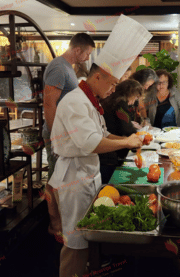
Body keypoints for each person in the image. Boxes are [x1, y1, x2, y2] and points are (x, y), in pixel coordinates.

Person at [48, 63, 143, 277]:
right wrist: (126, 143)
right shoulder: (74, 101)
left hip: (87, 175)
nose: (114, 89)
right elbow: (91, 143)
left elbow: (103, 134)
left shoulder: (90, 101)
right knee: (75, 243)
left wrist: (129, 139)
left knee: (87, 238)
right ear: (98, 77)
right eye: (112, 84)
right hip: (74, 178)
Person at [43, 33, 95, 237]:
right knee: (55, 180)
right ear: (77, 50)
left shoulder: (68, 68)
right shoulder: (58, 67)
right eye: (87, 53)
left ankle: (62, 222)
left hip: (64, 134)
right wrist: (57, 137)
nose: (88, 58)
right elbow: (49, 103)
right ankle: (55, 226)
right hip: (57, 135)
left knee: (60, 178)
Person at [99, 79, 143, 183]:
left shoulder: (112, 99)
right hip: (109, 153)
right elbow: (127, 128)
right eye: (136, 97)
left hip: (107, 145)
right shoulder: (120, 102)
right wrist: (137, 138)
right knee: (109, 184)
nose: (135, 100)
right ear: (131, 92)